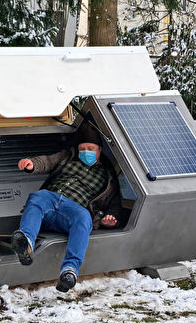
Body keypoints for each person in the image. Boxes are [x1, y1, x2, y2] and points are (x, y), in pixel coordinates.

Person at [11, 122, 121, 292]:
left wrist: (111, 218)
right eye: (82, 148)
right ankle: (26, 244)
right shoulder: (67, 156)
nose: (85, 152)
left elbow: (115, 202)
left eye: (90, 149)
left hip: (74, 211)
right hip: (51, 201)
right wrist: (32, 164)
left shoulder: (108, 174)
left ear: (99, 150)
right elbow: (47, 161)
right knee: (38, 196)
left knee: (84, 217)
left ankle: (70, 271)